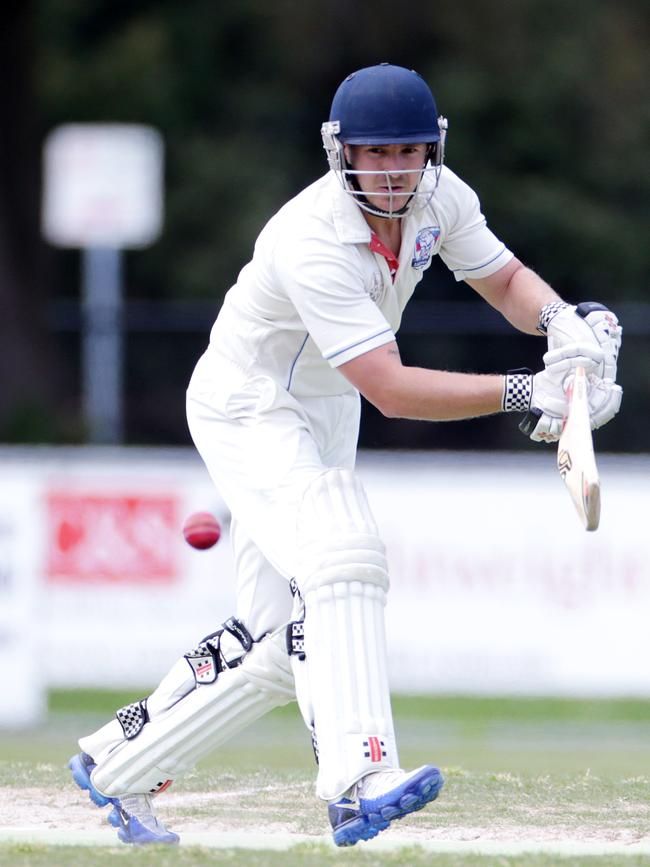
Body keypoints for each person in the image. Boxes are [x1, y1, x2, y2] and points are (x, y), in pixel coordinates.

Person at [68, 63, 622, 847]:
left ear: (432, 150)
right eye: (378, 153)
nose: (395, 171)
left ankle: (116, 764)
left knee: (276, 641)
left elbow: (502, 279)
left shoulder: (440, 195)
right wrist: (532, 392)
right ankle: (361, 779)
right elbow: (390, 388)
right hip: (249, 402)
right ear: (344, 153)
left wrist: (569, 327)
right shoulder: (310, 237)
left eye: (410, 151)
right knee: (343, 550)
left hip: (324, 405)